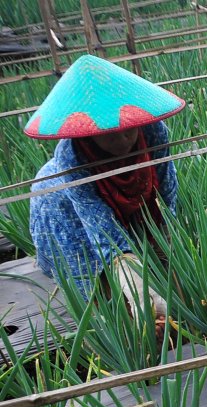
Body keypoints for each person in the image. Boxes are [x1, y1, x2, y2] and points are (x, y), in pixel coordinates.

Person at [26, 54, 185, 334]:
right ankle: (120, 334)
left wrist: (166, 249)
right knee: (102, 288)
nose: (123, 141)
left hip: (130, 200)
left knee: (158, 259)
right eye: (110, 135)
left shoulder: (154, 131)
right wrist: (139, 290)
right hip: (62, 208)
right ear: (89, 134)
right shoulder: (72, 159)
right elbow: (103, 233)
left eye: (128, 132)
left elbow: (165, 190)